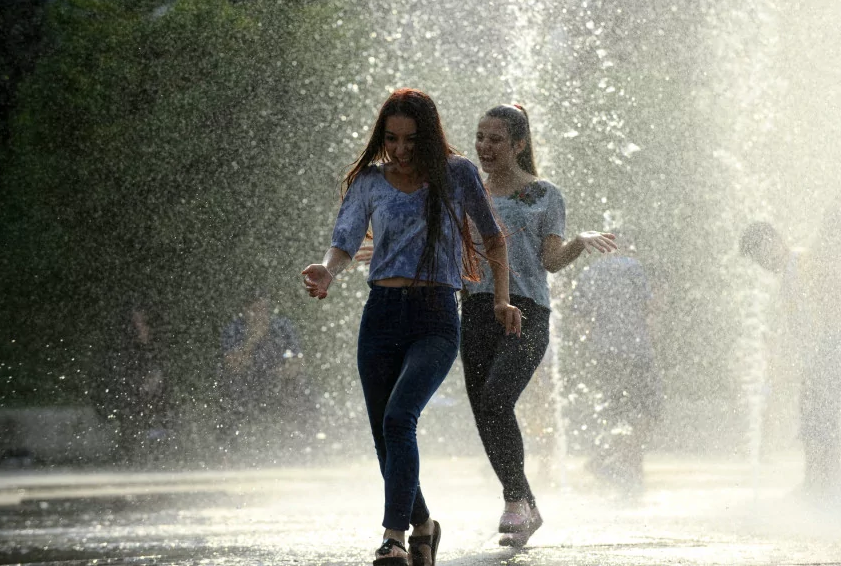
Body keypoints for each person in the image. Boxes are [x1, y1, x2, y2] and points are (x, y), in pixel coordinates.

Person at [302, 88, 521, 566]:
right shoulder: (368, 181)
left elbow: (494, 240)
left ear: (428, 138)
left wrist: (501, 299)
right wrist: (327, 270)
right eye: (392, 139)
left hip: (436, 315)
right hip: (380, 314)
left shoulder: (456, 174)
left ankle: (393, 536)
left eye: (411, 140)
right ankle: (424, 525)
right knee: (385, 432)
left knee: (400, 418)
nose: (400, 149)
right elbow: (342, 241)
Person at [461, 104, 617, 546]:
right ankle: (526, 506)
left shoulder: (546, 194)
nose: (485, 147)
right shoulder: (468, 190)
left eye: (495, 139)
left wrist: (579, 243)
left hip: (527, 314)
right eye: (480, 137)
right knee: (485, 414)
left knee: (495, 399)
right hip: (475, 311)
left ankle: (514, 500)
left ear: (518, 144)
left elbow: (549, 262)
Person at [739, 169, 841, 502]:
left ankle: (829, 484)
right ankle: (823, 482)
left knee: (826, 417)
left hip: (831, 346)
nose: (763, 264)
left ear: (775, 240)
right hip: (823, 350)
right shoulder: (800, 265)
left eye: (762, 255)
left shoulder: (805, 261)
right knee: (820, 418)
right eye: (757, 261)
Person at [568, 229, 661, 495]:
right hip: (637, 351)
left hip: (605, 352)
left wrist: (595, 341)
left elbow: (579, 319)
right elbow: (649, 308)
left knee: (618, 412)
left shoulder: (590, 273)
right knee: (648, 410)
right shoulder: (634, 268)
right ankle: (613, 462)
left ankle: (628, 473)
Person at [217, 290, 307, 456]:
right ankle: (231, 450)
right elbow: (233, 366)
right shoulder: (235, 329)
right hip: (245, 381)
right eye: (256, 311)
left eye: (264, 310)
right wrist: (253, 339)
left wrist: (286, 370)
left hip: (276, 379)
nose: (261, 315)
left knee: (298, 386)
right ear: (246, 311)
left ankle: (296, 445)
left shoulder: (281, 326)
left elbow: (298, 361)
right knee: (230, 386)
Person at [96, 301, 172, 464]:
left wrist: (153, 380)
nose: (141, 325)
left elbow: (161, 365)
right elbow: (121, 371)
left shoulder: (156, 341)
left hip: (152, 389)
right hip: (129, 388)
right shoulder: (124, 344)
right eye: (136, 320)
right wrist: (138, 383)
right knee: (131, 402)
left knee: (158, 398)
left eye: (142, 320)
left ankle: (157, 443)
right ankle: (131, 448)